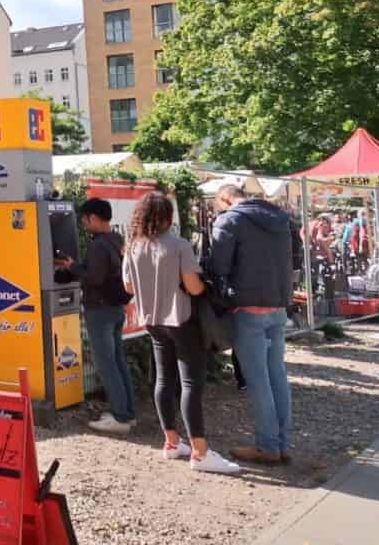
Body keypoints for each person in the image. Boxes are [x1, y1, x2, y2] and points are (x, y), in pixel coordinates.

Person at [123, 192, 241, 474]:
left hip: (151, 320)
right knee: (190, 384)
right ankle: (200, 453)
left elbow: (129, 288)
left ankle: (172, 442)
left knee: (163, 379)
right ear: (167, 217)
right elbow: (194, 287)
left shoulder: (132, 247)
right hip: (182, 319)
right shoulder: (179, 246)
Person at [209, 184, 297, 466]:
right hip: (278, 307)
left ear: (225, 199)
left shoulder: (230, 219)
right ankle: (282, 444)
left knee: (258, 381)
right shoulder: (280, 219)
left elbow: (217, 266)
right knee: (277, 377)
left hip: (248, 309)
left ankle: (268, 446)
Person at [56, 198, 135, 435]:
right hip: (115, 309)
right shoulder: (116, 239)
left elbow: (94, 278)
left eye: (84, 219)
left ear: (92, 217)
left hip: (99, 310)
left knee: (106, 363)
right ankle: (127, 413)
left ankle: (120, 417)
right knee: (118, 361)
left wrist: (72, 267)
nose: (82, 224)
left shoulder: (99, 245)